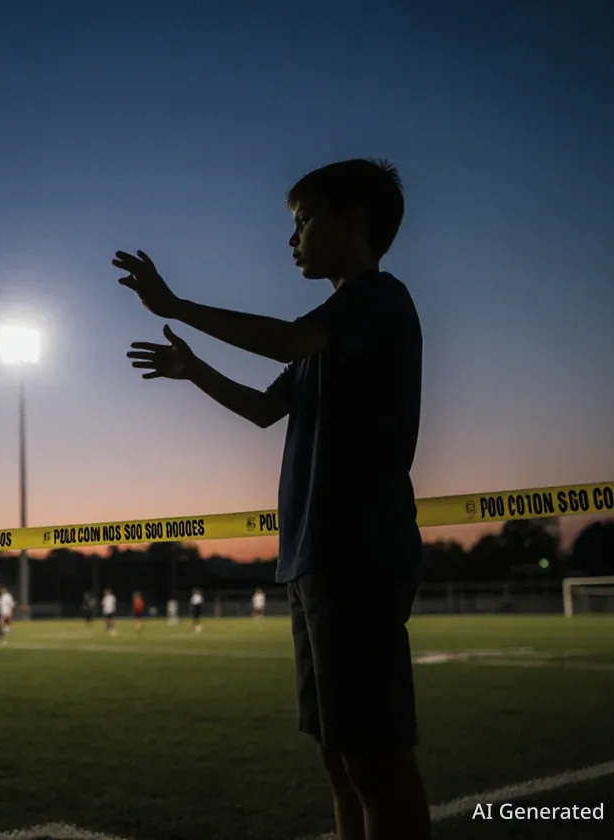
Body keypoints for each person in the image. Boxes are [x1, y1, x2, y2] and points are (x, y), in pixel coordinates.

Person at [119, 158, 431, 840]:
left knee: (374, 759)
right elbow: (265, 410)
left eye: (305, 220)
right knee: (338, 757)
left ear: (353, 220)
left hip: (357, 552)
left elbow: (290, 338)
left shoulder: (377, 299)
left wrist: (178, 307)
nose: (292, 239)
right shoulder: (327, 333)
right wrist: (194, 369)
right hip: (313, 557)